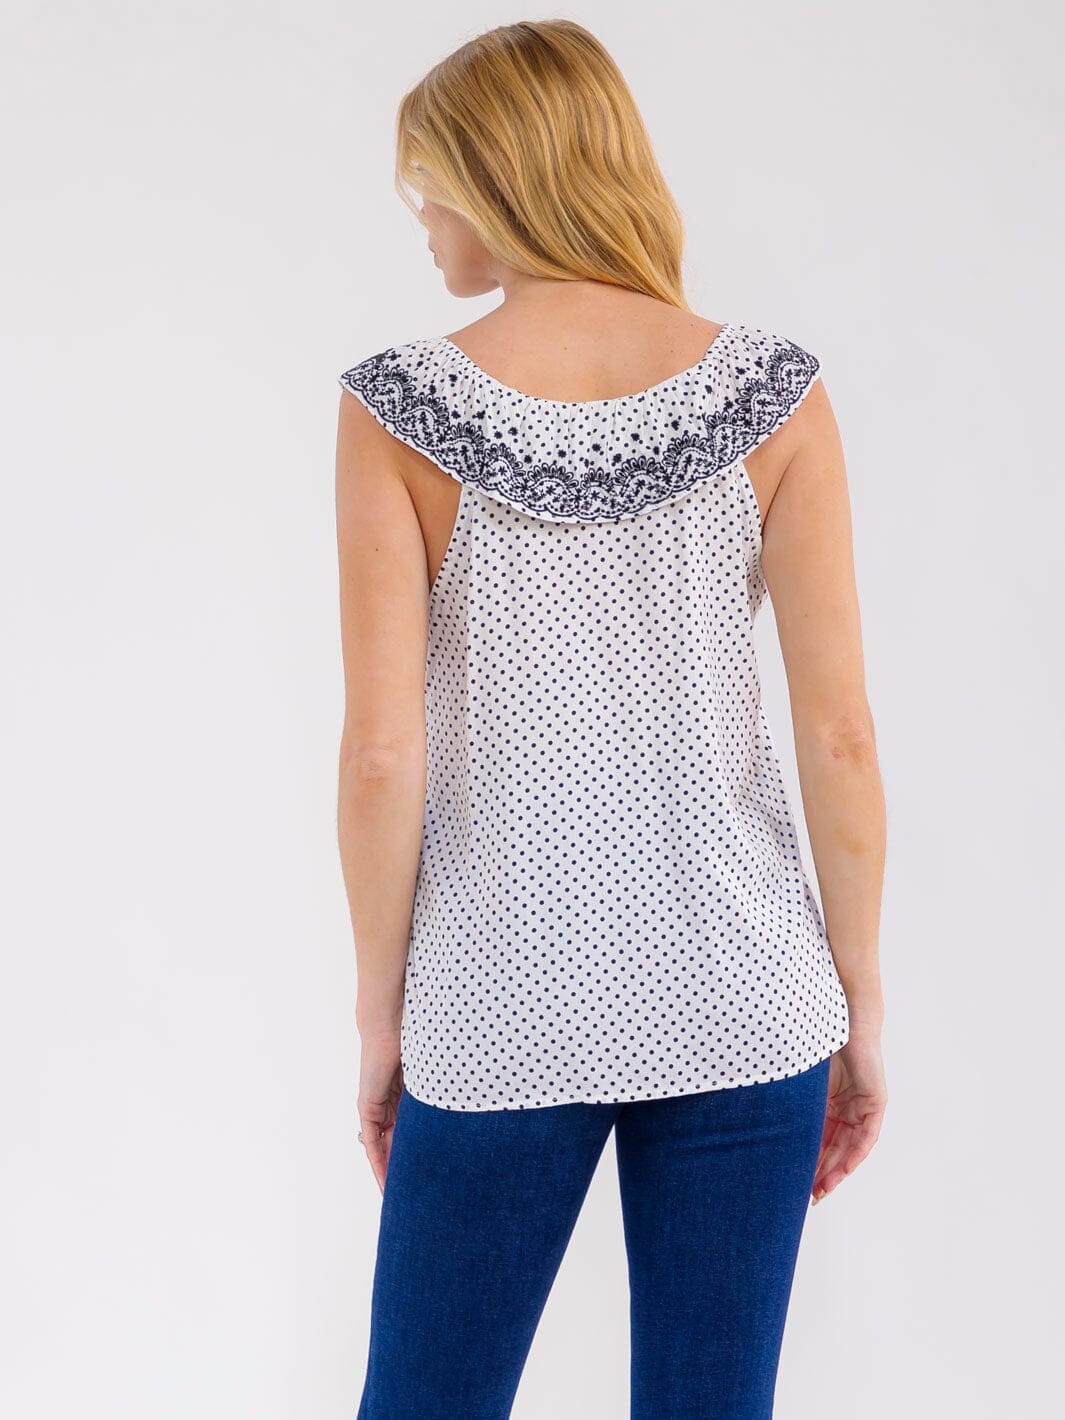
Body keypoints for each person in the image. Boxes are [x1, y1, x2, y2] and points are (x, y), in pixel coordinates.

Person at [334, 18, 887, 1419]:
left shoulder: (396, 410)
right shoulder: (775, 394)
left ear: (497, 176)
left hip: (495, 995)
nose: (422, 221)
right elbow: (838, 735)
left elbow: (384, 753)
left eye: (428, 186)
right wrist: (860, 1000)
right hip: (745, 994)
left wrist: (379, 1021)